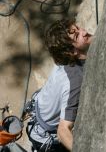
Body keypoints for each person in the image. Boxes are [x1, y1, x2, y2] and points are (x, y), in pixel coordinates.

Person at [26, 19, 93, 152]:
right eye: (76, 36)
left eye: (78, 28)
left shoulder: (64, 57)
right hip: (45, 133)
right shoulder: (75, 81)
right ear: (72, 52)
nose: (84, 32)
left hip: (42, 107)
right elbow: (63, 131)